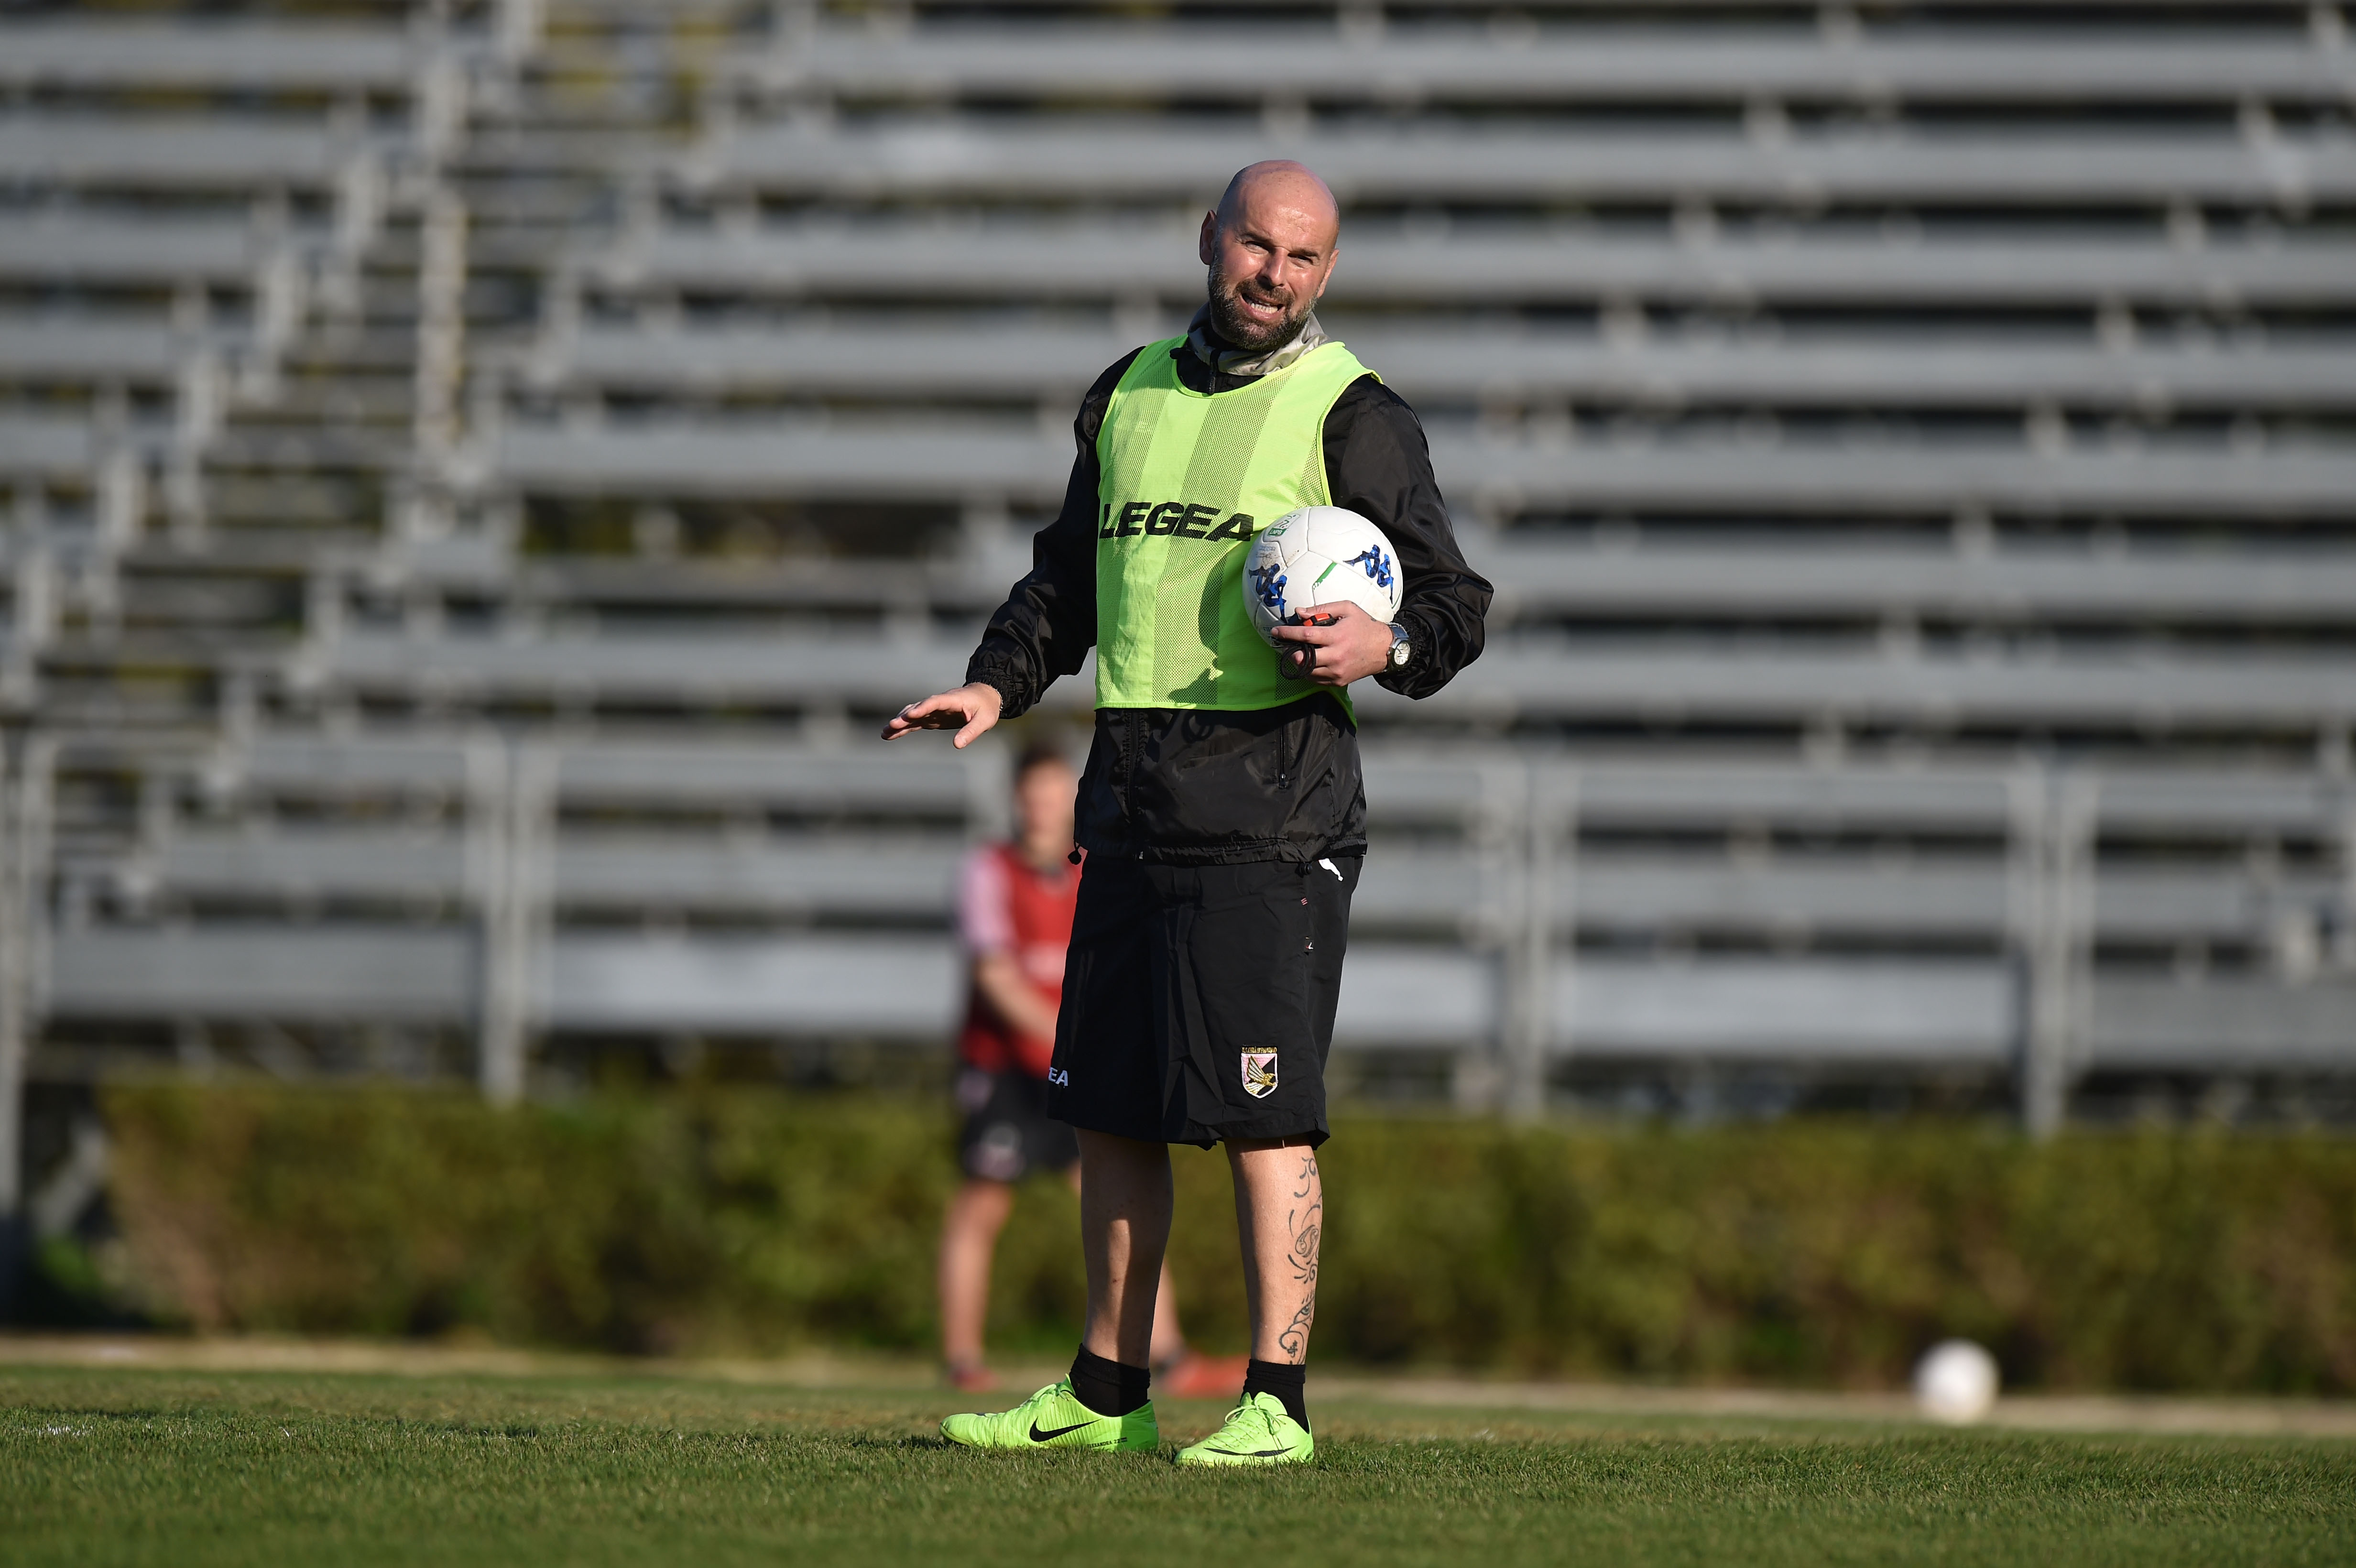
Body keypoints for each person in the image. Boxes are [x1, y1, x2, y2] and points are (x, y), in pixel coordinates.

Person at [885, 160, 1490, 1465]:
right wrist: (997, 685)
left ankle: (1277, 1403)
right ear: (1209, 239)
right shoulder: (1129, 392)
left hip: (1276, 818)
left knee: (1266, 1117)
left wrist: (1382, 645)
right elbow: (1068, 580)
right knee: (1113, 1111)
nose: (1279, 275)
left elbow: (1454, 604)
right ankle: (1107, 1394)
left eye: (1308, 258)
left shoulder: (1357, 413)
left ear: (1328, 272)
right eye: (1260, 246)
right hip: (1131, 798)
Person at [940, 742, 1247, 1400]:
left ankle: (1168, 1358)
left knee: (1120, 1200)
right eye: (1034, 797)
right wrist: (1074, 1041)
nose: (1044, 810)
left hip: (1071, 1065)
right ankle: (963, 1360)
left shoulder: (1094, 874)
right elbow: (996, 977)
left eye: (1056, 796)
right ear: (1017, 802)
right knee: (982, 1208)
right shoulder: (989, 872)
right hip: (1008, 1072)